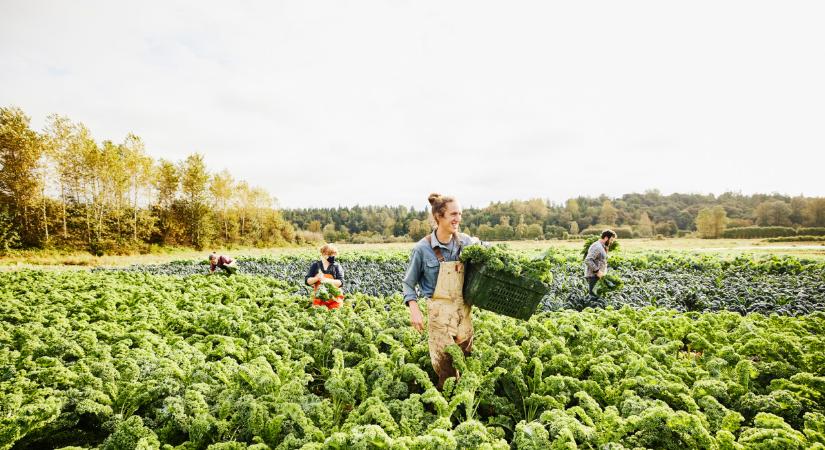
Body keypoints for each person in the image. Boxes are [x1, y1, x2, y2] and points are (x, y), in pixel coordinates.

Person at [402, 193, 481, 389]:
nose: (458, 219)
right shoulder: (422, 249)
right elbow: (408, 284)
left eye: (460, 214)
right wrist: (414, 310)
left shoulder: (465, 242)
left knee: (464, 358)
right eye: (453, 214)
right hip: (439, 313)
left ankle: (463, 403)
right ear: (439, 216)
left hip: (463, 310)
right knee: (447, 368)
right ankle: (444, 406)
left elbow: (486, 250)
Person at [305, 243, 345, 309]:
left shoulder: (337, 266)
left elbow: (341, 282)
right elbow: (307, 281)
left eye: (334, 255)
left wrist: (327, 280)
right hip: (319, 299)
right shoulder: (315, 265)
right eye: (330, 254)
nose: (332, 257)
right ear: (323, 254)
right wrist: (317, 278)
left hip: (335, 300)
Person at [584, 230, 617, 303]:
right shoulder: (597, 246)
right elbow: (588, 260)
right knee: (594, 299)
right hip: (593, 276)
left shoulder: (602, 247)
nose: (612, 242)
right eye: (611, 240)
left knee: (598, 298)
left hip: (598, 277)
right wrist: (597, 271)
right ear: (606, 238)